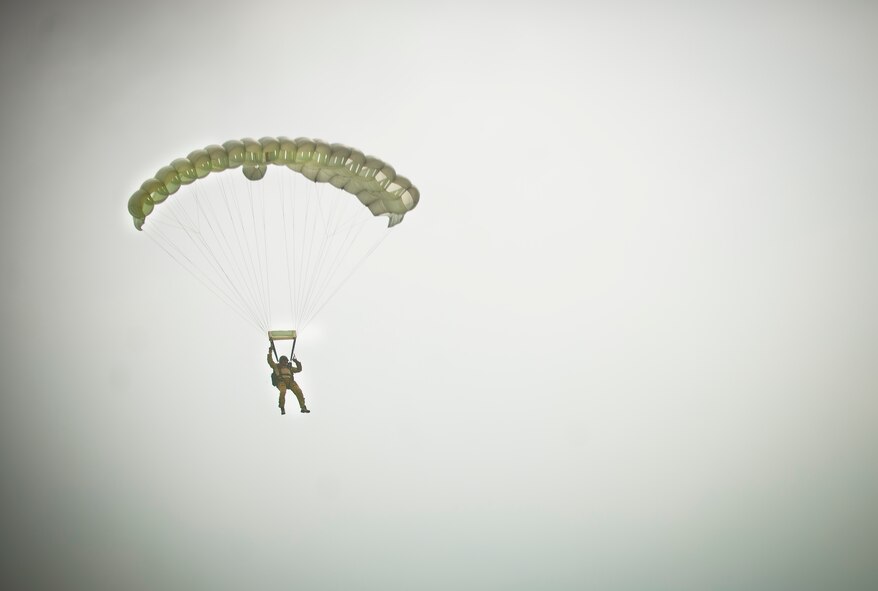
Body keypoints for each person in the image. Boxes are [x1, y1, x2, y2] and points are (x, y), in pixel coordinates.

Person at [267, 348, 310, 415]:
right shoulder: (276, 366)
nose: (285, 363)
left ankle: (303, 407)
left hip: (290, 382)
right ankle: (282, 407)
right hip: (281, 382)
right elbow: (270, 361)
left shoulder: (289, 368)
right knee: (283, 392)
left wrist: (296, 361)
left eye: (286, 361)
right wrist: (270, 352)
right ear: (281, 361)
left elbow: (299, 369)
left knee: (298, 391)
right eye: (284, 361)